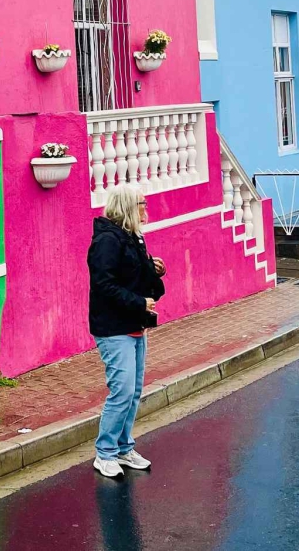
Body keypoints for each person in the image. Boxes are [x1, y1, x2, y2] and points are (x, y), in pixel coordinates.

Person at [87, 183, 166, 478]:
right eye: (142, 204)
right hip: (113, 327)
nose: (146, 210)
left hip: (135, 324)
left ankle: (123, 447)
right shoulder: (107, 241)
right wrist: (138, 302)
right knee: (121, 391)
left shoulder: (134, 238)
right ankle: (104, 453)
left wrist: (155, 272)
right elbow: (104, 285)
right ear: (127, 208)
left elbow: (134, 277)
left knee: (133, 392)